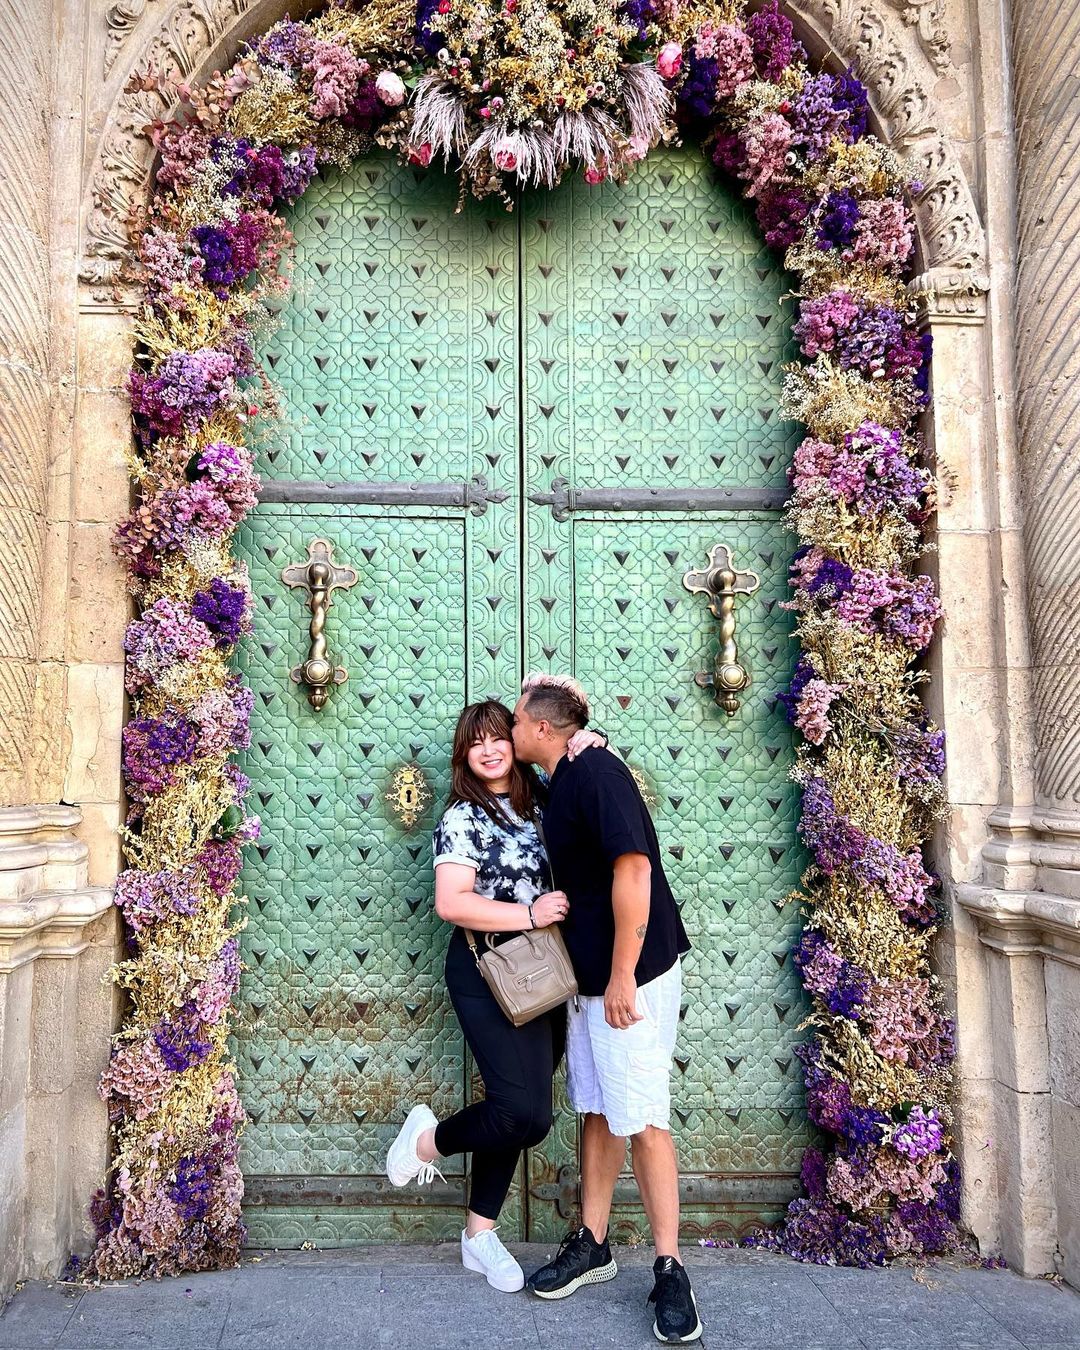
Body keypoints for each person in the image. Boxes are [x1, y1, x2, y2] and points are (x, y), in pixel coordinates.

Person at [385, 699, 604, 1292]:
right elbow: (451, 902)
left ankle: (477, 1235)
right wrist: (529, 913)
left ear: (516, 741)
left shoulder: (543, 801)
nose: (488, 750)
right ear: (464, 753)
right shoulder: (463, 816)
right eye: (475, 741)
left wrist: (593, 745)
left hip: (548, 970)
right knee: (520, 1112)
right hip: (487, 969)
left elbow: (584, 786)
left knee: (521, 1113)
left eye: (497, 737)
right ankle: (427, 1142)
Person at [511, 673, 701, 1344]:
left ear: (541, 729)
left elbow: (635, 871)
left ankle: (671, 1268)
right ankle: (592, 1241)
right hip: (591, 980)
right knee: (598, 1108)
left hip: (631, 978)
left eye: (517, 721)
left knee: (642, 1118)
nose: (511, 730)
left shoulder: (596, 775)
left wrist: (623, 975)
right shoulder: (566, 772)